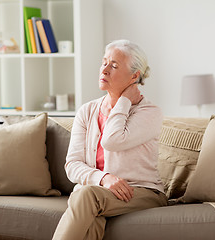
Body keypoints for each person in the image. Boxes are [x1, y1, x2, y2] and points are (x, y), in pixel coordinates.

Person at [52, 39, 166, 240]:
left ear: (134, 76)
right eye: (104, 62)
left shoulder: (150, 113)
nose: (104, 70)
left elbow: (111, 140)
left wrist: (123, 102)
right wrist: (103, 179)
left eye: (113, 66)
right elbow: (72, 165)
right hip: (100, 193)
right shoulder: (87, 111)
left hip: (142, 192)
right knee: (90, 217)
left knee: (85, 195)